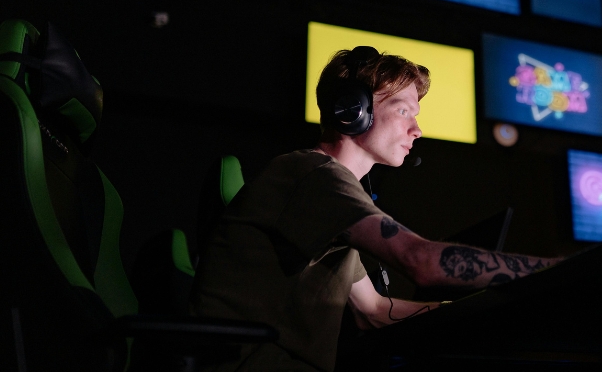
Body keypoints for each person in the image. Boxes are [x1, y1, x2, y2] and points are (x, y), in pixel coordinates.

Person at [190, 46, 560, 371]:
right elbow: (421, 260)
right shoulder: (314, 176)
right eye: (404, 111)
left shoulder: (329, 194)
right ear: (353, 111)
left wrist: (474, 309)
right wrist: (557, 272)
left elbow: (374, 312)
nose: (417, 130)